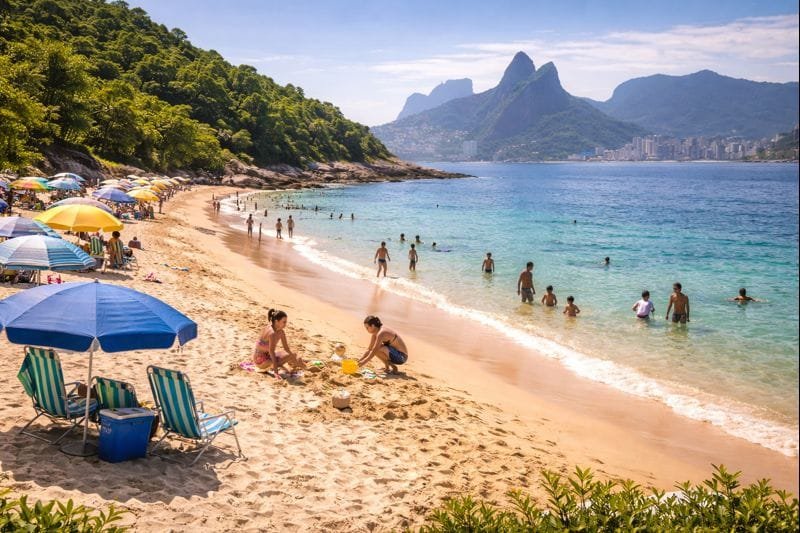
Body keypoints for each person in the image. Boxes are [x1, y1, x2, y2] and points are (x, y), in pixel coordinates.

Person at [253, 309, 305, 378]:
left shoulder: (280, 331)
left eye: (286, 322)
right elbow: (272, 353)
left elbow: (286, 348)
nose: (285, 324)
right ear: (276, 321)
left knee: (293, 354)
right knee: (290, 356)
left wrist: (294, 358)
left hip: (266, 356)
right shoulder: (272, 333)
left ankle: (299, 364)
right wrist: (276, 372)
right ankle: (303, 366)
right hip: (260, 362)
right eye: (284, 322)